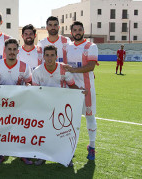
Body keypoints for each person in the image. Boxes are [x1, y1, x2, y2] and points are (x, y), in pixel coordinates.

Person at [32, 45, 85, 166]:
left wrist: (80, 92)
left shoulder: (63, 69)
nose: (49, 58)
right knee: (44, 132)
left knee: (63, 133)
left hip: (61, 106)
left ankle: (66, 157)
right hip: (44, 106)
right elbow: (35, 92)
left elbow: (72, 85)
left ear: (56, 56)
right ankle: (42, 156)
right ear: (43, 57)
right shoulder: (37, 71)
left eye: (52, 55)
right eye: (47, 55)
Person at [0, 39, 32, 165]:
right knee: (2, 128)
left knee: (21, 128)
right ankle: (1, 154)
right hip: (1, 103)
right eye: (9, 49)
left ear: (18, 51)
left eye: (14, 49)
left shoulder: (24, 66)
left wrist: (28, 85)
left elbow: (29, 82)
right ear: (5, 50)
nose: (12, 52)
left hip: (19, 103)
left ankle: (22, 153)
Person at [63, 21, 98, 161]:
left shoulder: (91, 46)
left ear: (83, 31)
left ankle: (92, 146)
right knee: (69, 118)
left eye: (80, 30)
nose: (77, 32)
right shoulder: (67, 47)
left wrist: (74, 70)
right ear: (71, 32)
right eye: (75, 30)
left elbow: (91, 66)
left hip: (87, 88)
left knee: (89, 116)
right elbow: (65, 67)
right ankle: (68, 147)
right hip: (70, 87)